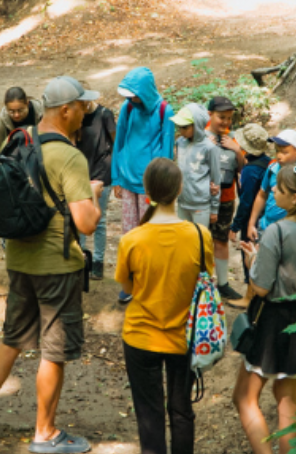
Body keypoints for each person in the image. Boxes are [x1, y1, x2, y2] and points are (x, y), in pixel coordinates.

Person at [0, 76, 102, 454]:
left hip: (18, 259)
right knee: (54, 350)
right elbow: (86, 223)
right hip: (57, 266)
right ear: (65, 110)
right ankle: (45, 433)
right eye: (82, 106)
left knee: (12, 339)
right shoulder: (70, 156)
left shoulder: (18, 140)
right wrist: (93, 196)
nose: (86, 112)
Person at [234, 162, 296, 454]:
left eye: (280, 188)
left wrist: (254, 262)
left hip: (275, 322)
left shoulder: (277, 231)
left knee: (244, 397)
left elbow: (262, 287)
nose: (274, 191)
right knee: (286, 395)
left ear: (295, 199)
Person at [115, 158, 211, 454]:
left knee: (149, 415)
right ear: (179, 189)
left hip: (140, 336)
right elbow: (205, 283)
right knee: (182, 412)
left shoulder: (132, 240)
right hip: (185, 338)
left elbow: (128, 287)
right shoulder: (199, 235)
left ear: (146, 193)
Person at [112, 67, 174, 304]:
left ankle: (151, 280)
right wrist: (116, 177)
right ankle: (130, 280)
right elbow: (119, 140)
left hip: (150, 185)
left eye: (134, 94)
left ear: (145, 91)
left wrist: (160, 185)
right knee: (130, 232)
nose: (130, 99)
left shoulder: (164, 111)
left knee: (151, 232)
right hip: (127, 180)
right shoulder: (127, 108)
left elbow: (167, 152)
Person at [204, 97, 243, 300]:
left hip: (226, 197)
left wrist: (236, 150)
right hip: (203, 198)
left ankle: (223, 283)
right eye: (221, 117)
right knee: (202, 240)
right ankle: (203, 283)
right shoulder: (200, 136)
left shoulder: (232, 137)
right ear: (210, 115)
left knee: (221, 240)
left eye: (229, 118)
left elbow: (242, 166)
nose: (226, 122)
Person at [230, 124, 272, 302]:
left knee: (248, 252)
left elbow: (246, 201)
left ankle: (249, 296)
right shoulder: (268, 162)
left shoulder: (250, 171)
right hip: (265, 216)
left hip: (251, 219)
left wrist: (236, 225)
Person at [76, 97, 115, 280]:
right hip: (80, 173)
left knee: (100, 220)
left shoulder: (104, 115)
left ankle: (98, 263)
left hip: (101, 173)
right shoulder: (77, 115)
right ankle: (82, 259)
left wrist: (116, 174)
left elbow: (115, 142)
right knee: (80, 217)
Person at [247, 129, 296, 240]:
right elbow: (262, 195)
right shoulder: (272, 169)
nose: (279, 156)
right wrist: (251, 224)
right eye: (277, 151)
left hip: (289, 231)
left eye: (284, 152)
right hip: (266, 226)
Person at [170, 103, 218, 228]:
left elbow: (216, 180)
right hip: (182, 202)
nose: (181, 131)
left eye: (185, 127)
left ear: (197, 125)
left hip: (200, 204)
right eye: (179, 127)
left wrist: (214, 208)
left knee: (199, 240)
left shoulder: (209, 147)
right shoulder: (180, 143)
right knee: (184, 241)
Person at [0, 86, 43, 153]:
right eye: (11, 111)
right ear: (6, 107)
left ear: (27, 103)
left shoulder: (42, 113)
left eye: (20, 110)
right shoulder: (2, 126)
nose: (16, 115)